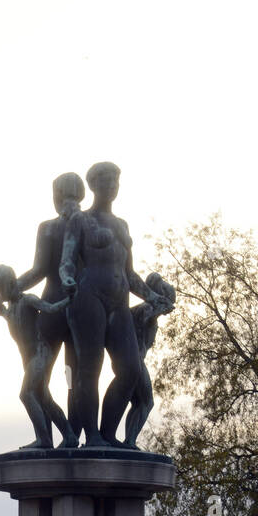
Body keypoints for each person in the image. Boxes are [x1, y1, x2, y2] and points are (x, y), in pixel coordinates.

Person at [59, 162, 167, 446]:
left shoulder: (122, 225)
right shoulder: (80, 220)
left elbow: (130, 274)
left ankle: (108, 432)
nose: (112, 187)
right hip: (87, 297)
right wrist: (67, 278)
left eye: (116, 182)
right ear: (93, 185)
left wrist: (153, 297)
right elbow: (67, 261)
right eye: (106, 182)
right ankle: (93, 436)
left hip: (119, 301)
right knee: (89, 369)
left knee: (130, 368)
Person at [13, 171, 87, 445]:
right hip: (83, 311)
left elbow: (38, 270)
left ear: (56, 196)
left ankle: (45, 438)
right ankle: (74, 436)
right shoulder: (88, 223)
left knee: (39, 379)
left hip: (53, 308)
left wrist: (11, 288)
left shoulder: (48, 228)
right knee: (77, 380)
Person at [0, 264, 73, 448]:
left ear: (9, 283)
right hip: (27, 359)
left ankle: (43, 440)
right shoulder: (8, 310)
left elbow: (50, 308)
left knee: (26, 394)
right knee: (44, 398)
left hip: (40, 353)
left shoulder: (28, 301)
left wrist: (69, 299)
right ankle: (69, 436)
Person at [124, 273, 176, 449]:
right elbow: (152, 311)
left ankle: (128, 441)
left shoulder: (145, 310)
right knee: (147, 402)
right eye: (169, 299)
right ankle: (129, 441)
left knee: (137, 402)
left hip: (134, 359)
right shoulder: (146, 309)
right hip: (134, 360)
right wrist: (163, 304)